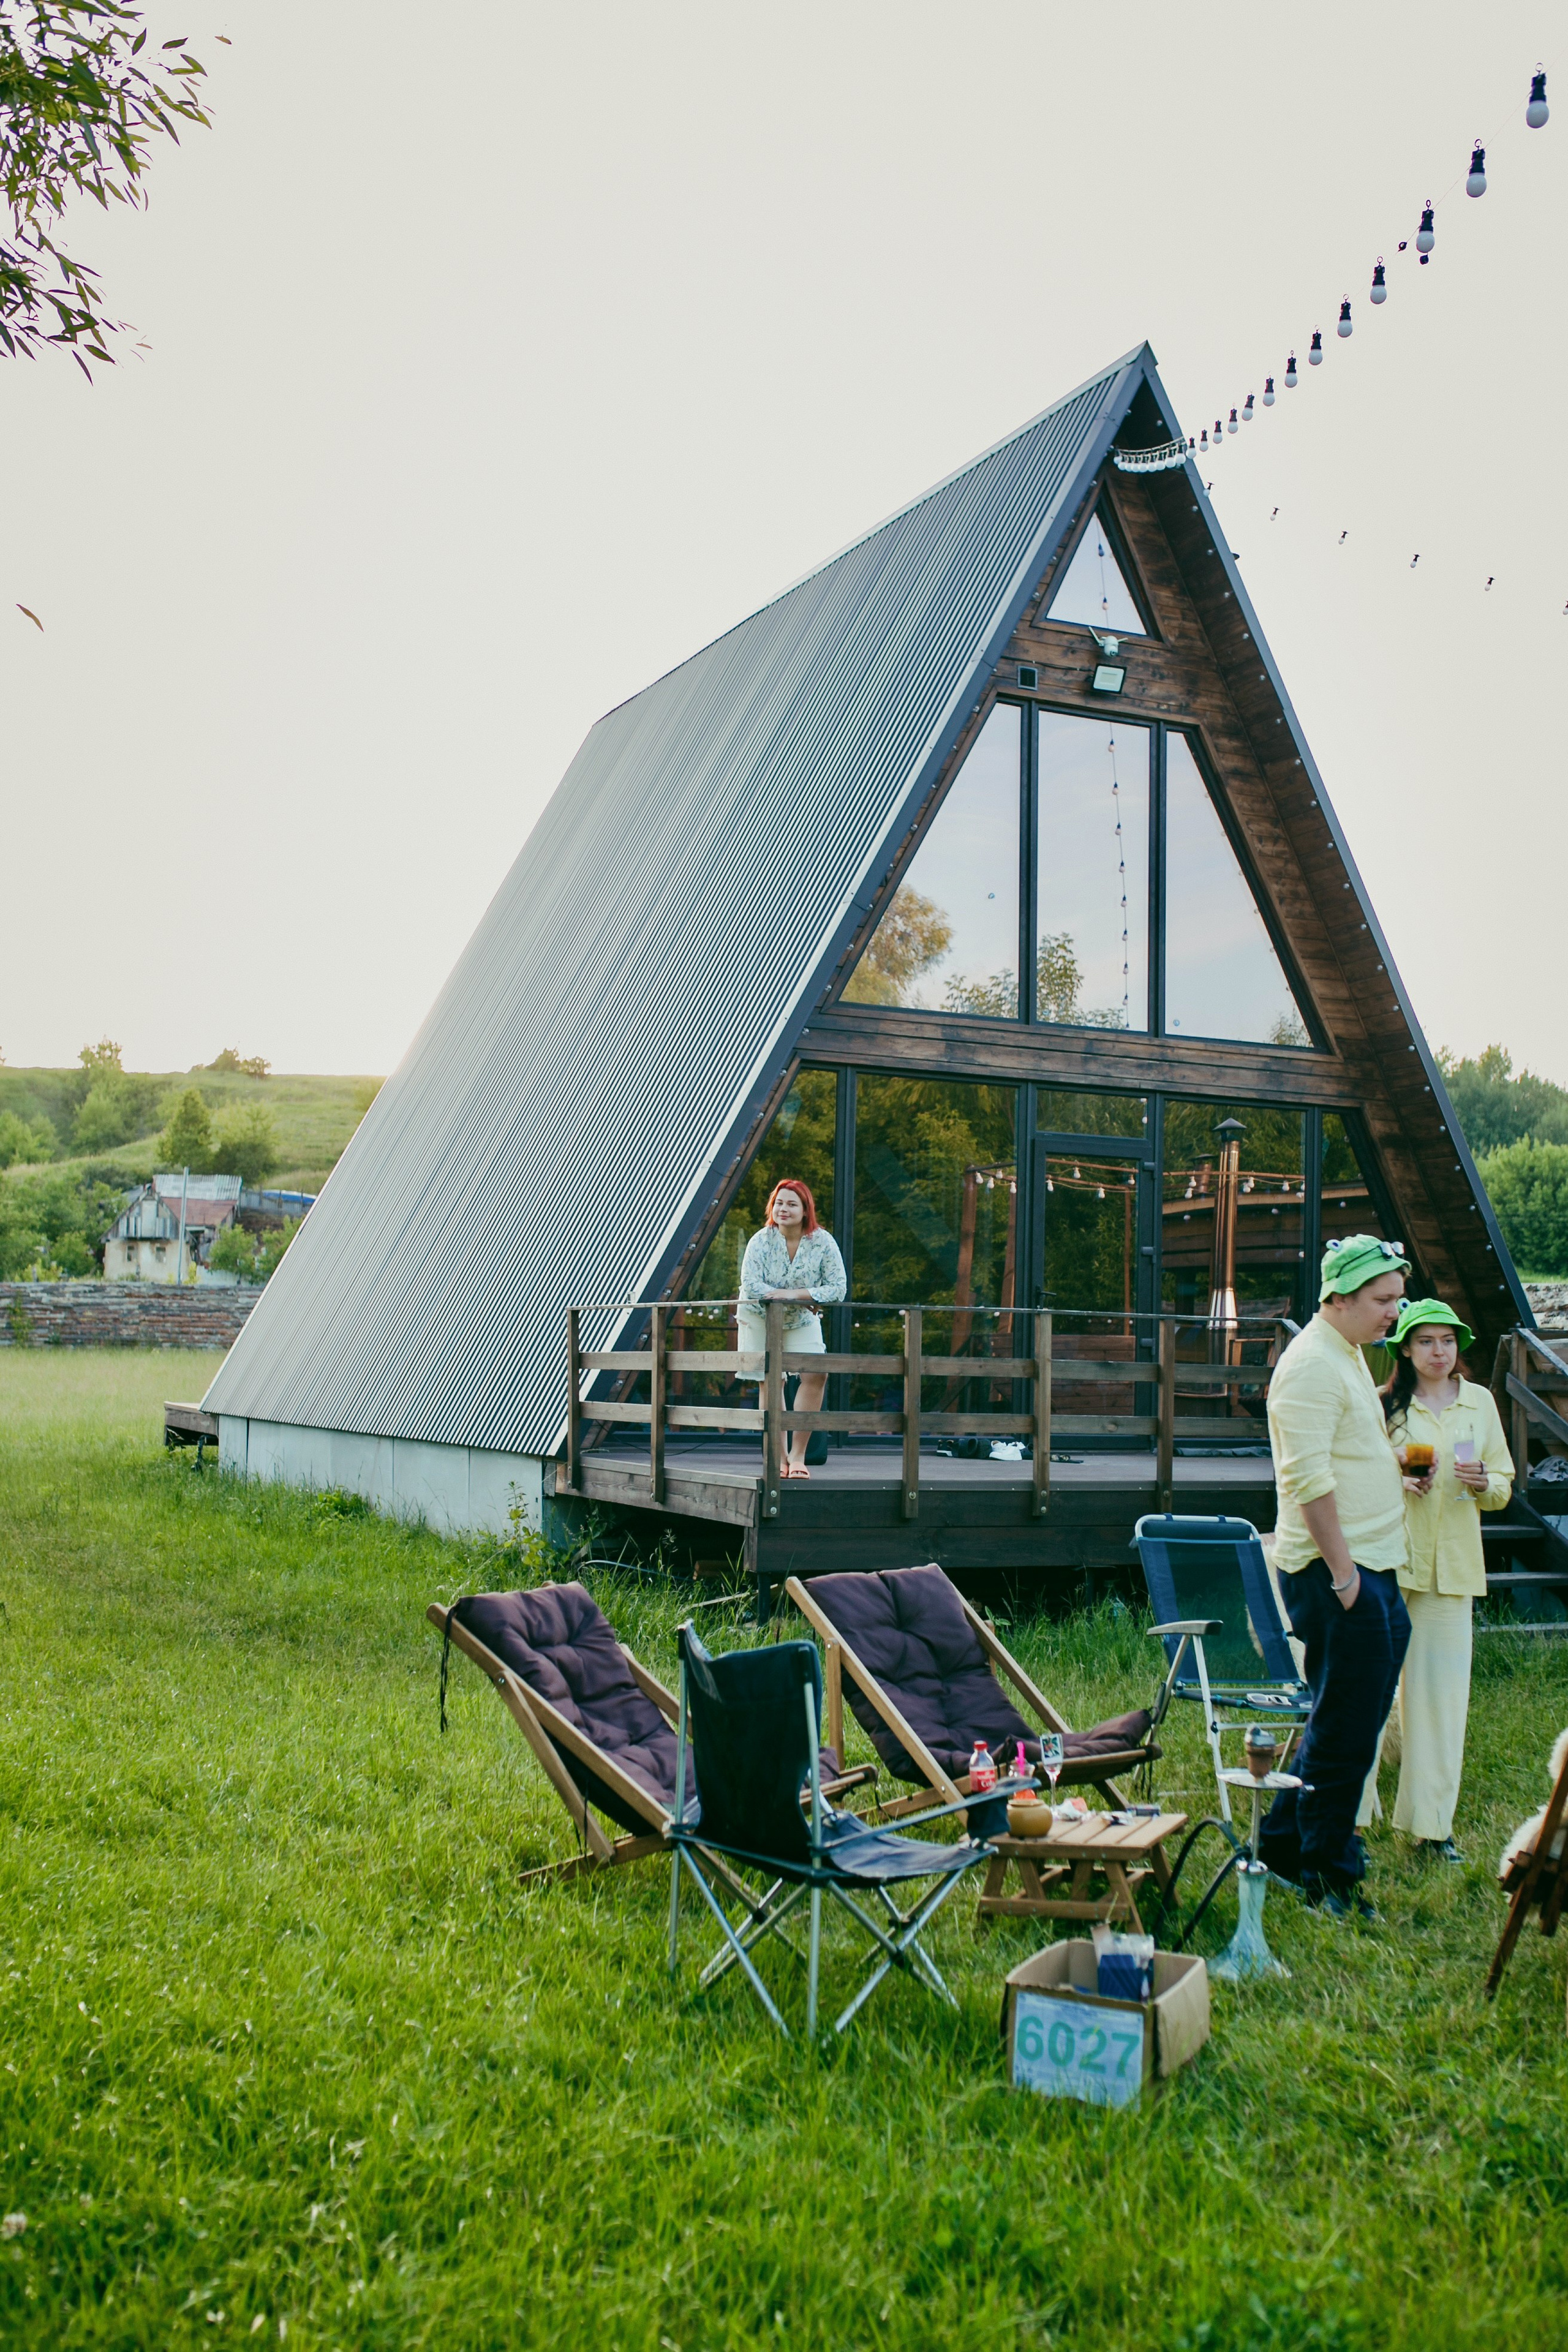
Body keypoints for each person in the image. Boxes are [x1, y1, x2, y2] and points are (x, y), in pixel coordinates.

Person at [1257, 1234, 1413, 1920]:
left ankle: (1282, 1846)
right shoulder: (1311, 1366)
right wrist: (1345, 1577)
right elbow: (1308, 1481)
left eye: (1397, 1299)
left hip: (1373, 1567)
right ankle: (1329, 1874)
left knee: (1348, 1717)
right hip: (1337, 1574)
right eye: (1383, 1301)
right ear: (1339, 1297)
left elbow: (1344, 1454)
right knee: (1347, 1732)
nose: (1394, 1314)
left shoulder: (1346, 1351)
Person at [1378, 1298, 1513, 1863]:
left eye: (1448, 1341)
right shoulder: (1384, 1405)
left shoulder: (1480, 1403)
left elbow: (1503, 1485)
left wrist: (1484, 1482)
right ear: (1406, 1350)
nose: (1439, 1351)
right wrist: (1397, 1480)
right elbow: (1358, 1476)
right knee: (1367, 1691)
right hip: (1390, 1561)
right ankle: (1350, 1821)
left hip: (1453, 1569)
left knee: (1440, 1701)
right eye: (1427, 1341)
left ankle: (1431, 1830)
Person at [737, 1177, 846, 1480]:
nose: (783, 1209)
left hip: (800, 1317)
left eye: (791, 1204)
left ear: (805, 1210)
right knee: (771, 1381)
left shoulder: (823, 1241)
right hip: (760, 1316)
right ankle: (778, 1458)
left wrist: (795, 1296)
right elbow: (751, 1285)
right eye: (779, 1203)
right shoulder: (760, 1240)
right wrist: (806, 1296)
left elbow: (838, 1288)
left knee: (816, 1373)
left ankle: (798, 1456)